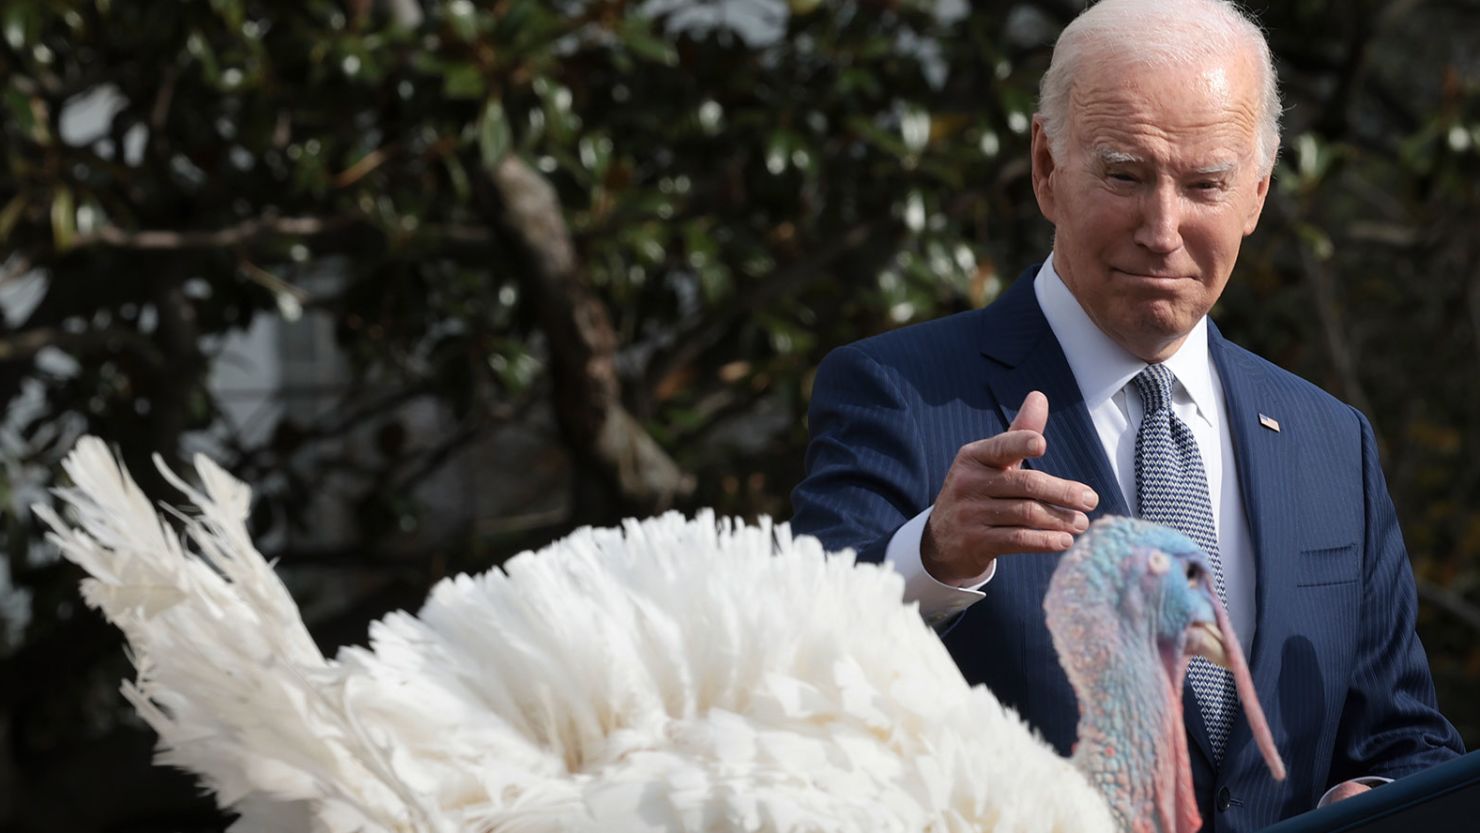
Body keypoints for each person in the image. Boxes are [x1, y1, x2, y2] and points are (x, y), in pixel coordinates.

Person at [788, 0, 1464, 828]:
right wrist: (935, 556)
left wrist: (1368, 801)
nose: (1162, 229)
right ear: (1046, 166)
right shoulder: (900, 392)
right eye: (1124, 175)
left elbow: (1403, 741)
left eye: (1205, 184)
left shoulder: (1329, 441)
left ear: (1256, 193)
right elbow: (794, 672)